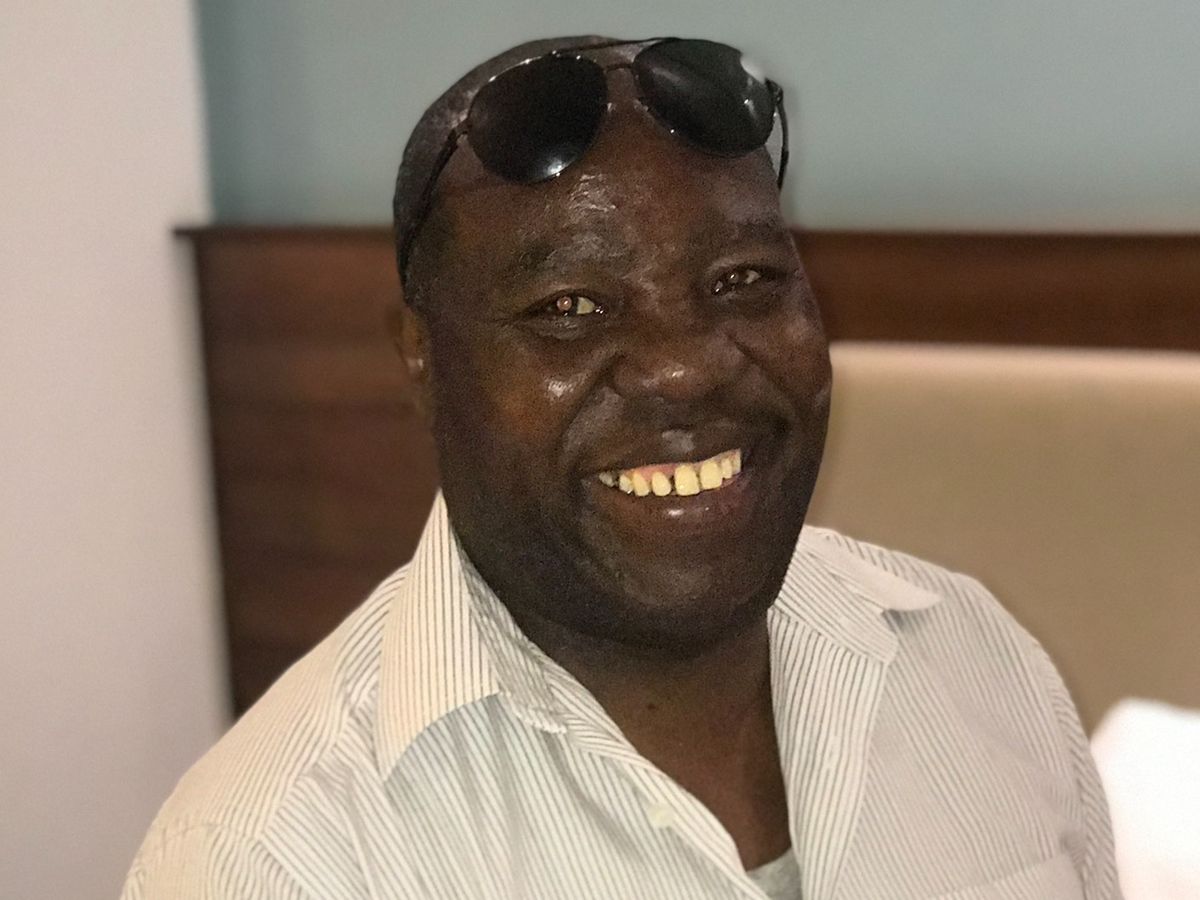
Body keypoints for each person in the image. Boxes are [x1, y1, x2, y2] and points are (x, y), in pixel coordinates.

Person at [122, 36, 1120, 899]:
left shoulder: (975, 663)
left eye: (743, 279)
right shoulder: (277, 857)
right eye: (570, 308)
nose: (685, 367)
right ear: (422, 361)